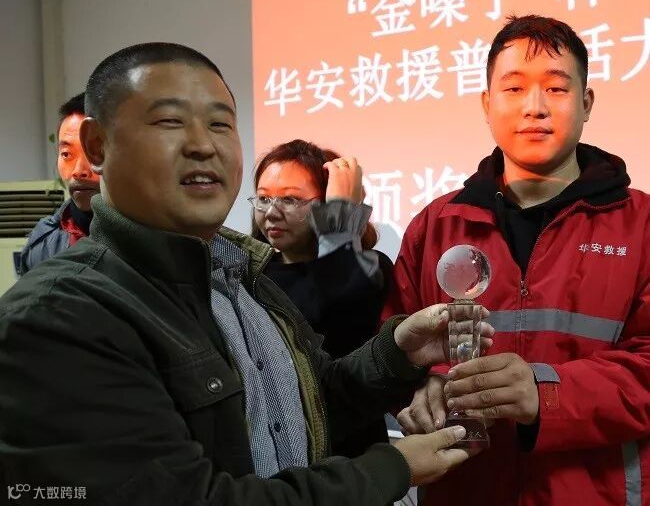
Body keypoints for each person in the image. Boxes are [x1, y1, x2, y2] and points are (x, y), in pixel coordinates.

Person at [0, 42, 494, 505]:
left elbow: (306, 405)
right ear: (98, 144)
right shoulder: (60, 314)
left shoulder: (242, 279)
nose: (203, 145)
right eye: (170, 121)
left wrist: (397, 351)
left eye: (220, 124)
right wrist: (387, 469)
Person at [385, 15, 650, 506]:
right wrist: (422, 388)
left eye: (556, 88)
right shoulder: (435, 226)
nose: (535, 106)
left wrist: (544, 392)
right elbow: (391, 352)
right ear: (487, 104)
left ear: (587, 103)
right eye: (514, 88)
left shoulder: (643, 225)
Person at [250, 139, 393, 457]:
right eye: (263, 199)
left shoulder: (370, 267)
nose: (271, 213)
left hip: (353, 451)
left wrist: (341, 218)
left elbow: (332, 308)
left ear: (327, 203)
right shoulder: (251, 275)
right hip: (278, 449)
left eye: (290, 199)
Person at [17, 92, 100, 275]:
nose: (79, 170)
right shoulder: (43, 244)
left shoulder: (154, 238)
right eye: (67, 154)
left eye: (93, 152)